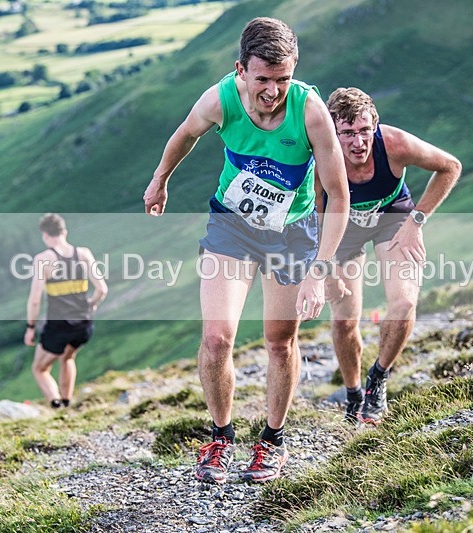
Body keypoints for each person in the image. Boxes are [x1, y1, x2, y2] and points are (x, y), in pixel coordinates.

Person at [143, 17, 348, 484]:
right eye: (263, 79)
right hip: (231, 228)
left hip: (291, 235)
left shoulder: (310, 111)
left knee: (280, 342)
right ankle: (220, 437)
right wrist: (160, 180)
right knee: (216, 339)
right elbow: (185, 135)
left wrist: (319, 269)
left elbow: (338, 195)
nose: (274, 91)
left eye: (283, 79)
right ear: (241, 70)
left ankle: (272, 441)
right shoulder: (220, 99)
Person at [317, 87, 461, 425]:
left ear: (375, 127)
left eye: (365, 130)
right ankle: (353, 394)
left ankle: (378, 379)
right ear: (333, 133)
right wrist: (325, 268)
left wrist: (417, 220)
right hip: (341, 229)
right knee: (344, 319)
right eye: (347, 133)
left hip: (393, 219)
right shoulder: (320, 158)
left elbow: (450, 166)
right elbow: (316, 218)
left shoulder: (394, 144)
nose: (358, 142)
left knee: (405, 303)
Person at [24, 213, 108, 409]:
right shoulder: (83, 253)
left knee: (39, 369)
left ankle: (56, 405)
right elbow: (102, 289)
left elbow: (35, 300)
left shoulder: (43, 259)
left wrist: (30, 327)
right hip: (83, 323)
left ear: (45, 235)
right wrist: (92, 304)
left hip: (58, 325)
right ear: (65, 232)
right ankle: (67, 402)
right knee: (68, 357)